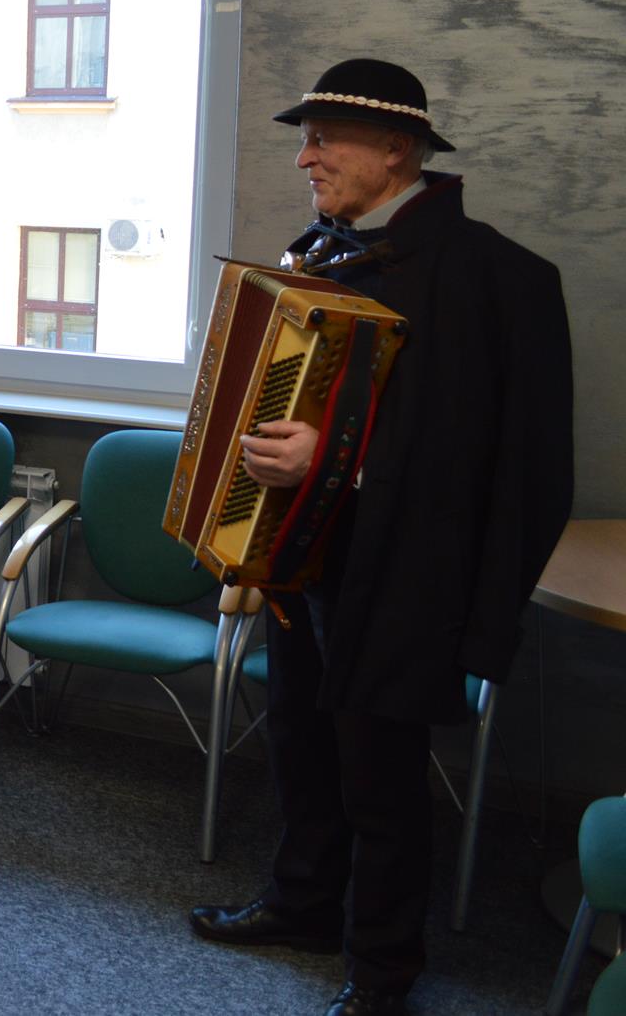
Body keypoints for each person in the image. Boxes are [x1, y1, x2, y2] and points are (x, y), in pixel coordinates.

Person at [189, 60, 574, 1016]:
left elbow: (505, 460)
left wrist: (332, 458)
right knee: (300, 744)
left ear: (396, 149)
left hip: (407, 573)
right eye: (305, 139)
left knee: (381, 777)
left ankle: (384, 967)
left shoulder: (498, 278)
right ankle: (303, 904)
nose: (304, 158)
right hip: (303, 557)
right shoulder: (318, 255)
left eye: (324, 139)